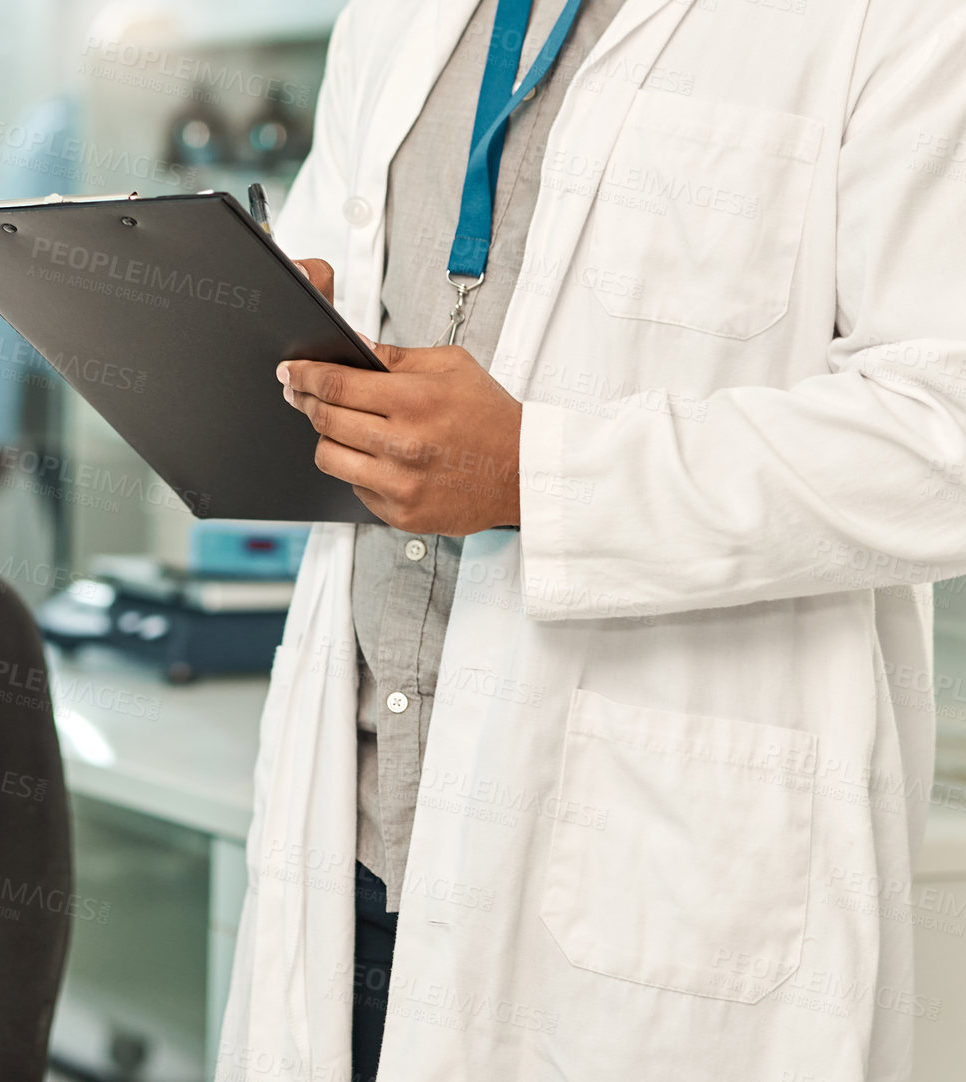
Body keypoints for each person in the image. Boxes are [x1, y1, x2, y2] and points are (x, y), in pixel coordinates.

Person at [221, 0, 966, 1079]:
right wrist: (256, 331)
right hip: (353, 852)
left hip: (648, 894)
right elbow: (335, 311)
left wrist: (538, 470)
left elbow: (943, 434)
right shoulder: (387, 18)